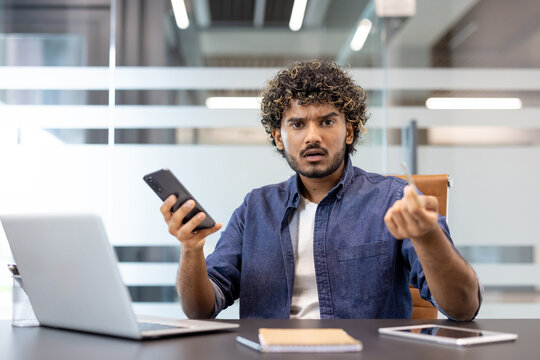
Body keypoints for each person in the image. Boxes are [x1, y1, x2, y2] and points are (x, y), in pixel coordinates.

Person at [160, 60, 481, 320]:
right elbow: (201, 309)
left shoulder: (395, 200)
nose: (312, 136)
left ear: (350, 131)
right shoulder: (255, 208)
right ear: (277, 136)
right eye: (297, 124)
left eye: (327, 122)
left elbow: (463, 308)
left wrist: (428, 237)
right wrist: (191, 250)